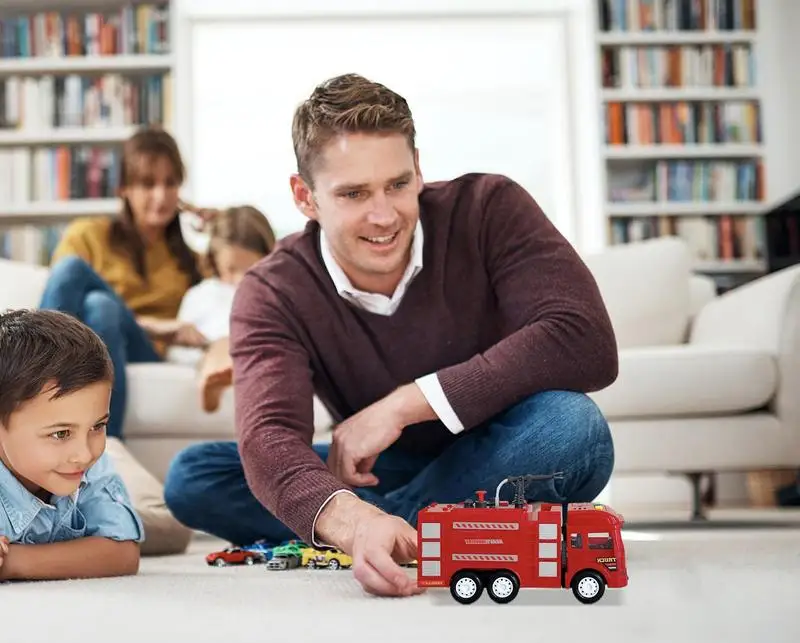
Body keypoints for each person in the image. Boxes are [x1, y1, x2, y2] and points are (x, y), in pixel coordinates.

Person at [163, 73, 619, 598]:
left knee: (572, 429)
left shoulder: (491, 208)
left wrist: (402, 406)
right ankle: (422, 529)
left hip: (503, 447)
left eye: (398, 185)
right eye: (354, 193)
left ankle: (383, 533)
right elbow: (271, 436)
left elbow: (586, 341)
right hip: (380, 473)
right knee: (194, 476)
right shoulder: (274, 289)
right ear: (304, 197)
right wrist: (352, 515)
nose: (384, 216)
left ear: (419, 168)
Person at [39, 125, 209, 441]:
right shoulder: (89, 235)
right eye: (147, 184)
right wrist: (156, 325)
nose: (160, 196)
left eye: (170, 183)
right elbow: (62, 291)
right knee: (96, 302)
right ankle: (107, 444)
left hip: (142, 351)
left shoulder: (192, 261)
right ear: (124, 189)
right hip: (87, 345)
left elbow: (241, 291)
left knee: (104, 308)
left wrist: (223, 225)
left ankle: (26, 391)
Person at [0, 309, 143, 582]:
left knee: (168, 528)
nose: (84, 453)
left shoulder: (90, 461)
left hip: (116, 473)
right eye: (61, 433)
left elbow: (123, 553)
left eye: (98, 426)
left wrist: (12, 562)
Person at [165, 205, 276, 412]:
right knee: (221, 346)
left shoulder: (275, 292)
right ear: (214, 261)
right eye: (231, 269)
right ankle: (214, 379)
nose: (241, 279)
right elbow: (176, 352)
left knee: (237, 342)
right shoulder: (201, 294)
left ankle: (226, 372)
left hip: (258, 347)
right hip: (212, 348)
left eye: (251, 268)